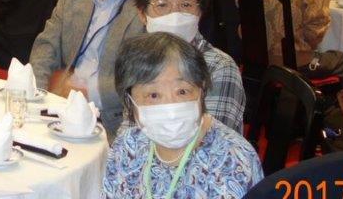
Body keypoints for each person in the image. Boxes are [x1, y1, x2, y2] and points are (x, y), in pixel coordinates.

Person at [30, 0, 160, 138]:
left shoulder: (146, 12)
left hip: (110, 122)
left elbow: (143, 78)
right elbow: (45, 46)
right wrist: (39, 96)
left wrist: (90, 92)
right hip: (58, 107)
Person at [103, 33, 263, 199]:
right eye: (153, 95)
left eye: (182, 91)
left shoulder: (232, 160)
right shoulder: (128, 145)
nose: (170, 107)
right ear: (129, 101)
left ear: (201, 91)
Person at [131, 0, 246, 132]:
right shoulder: (138, 61)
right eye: (162, 5)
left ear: (200, 11)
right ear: (142, 14)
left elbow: (210, 141)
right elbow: (130, 129)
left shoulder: (218, 68)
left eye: (186, 4)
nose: (175, 14)